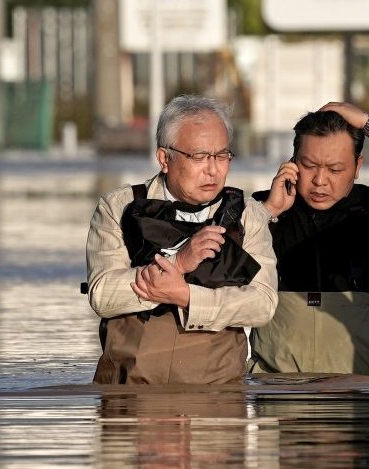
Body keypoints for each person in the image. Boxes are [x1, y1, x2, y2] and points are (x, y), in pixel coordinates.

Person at [86, 94, 278, 384]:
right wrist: (177, 263)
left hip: (218, 401)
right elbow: (102, 295)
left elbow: (262, 303)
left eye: (222, 155)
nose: (213, 170)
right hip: (129, 395)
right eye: (199, 157)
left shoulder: (247, 214)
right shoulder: (119, 206)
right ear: (165, 158)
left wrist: (187, 297)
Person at [249, 102, 369, 375]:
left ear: (357, 166)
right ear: (292, 163)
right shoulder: (262, 209)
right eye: (309, 165)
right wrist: (268, 212)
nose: (320, 180)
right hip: (279, 398)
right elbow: (222, 265)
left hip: (361, 397)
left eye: (334, 169)